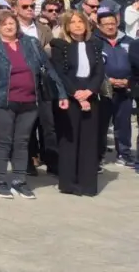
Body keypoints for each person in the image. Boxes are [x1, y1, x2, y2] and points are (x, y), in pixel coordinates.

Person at [0, 10, 67, 200]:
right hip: (2, 101)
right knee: (2, 141)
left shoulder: (30, 43)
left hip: (29, 101)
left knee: (22, 142)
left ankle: (19, 180)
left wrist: (61, 93)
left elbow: (48, 69)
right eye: (4, 24)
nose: (9, 27)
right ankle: (0, 181)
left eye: (12, 23)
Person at [49, 10, 103, 196]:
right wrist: (77, 94)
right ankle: (69, 183)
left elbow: (99, 72)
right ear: (66, 26)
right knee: (69, 140)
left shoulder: (95, 44)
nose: (78, 25)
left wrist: (89, 92)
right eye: (73, 22)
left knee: (89, 141)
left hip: (91, 95)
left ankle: (87, 184)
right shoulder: (60, 46)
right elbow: (60, 73)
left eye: (81, 21)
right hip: (69, 98)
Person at [94, 10, 132, 166]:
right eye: (106, 24)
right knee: (101, 124)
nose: (110, 27)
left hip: (125, 89)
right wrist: (107, 80)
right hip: (103, 90)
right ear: (99, 26)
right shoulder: (94, 42)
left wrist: (129, 81)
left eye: (112, 23)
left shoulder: (129, 41)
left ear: (117, 23)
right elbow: (92, 67)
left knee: (123, 124)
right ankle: (98, 155)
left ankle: (124, 154)